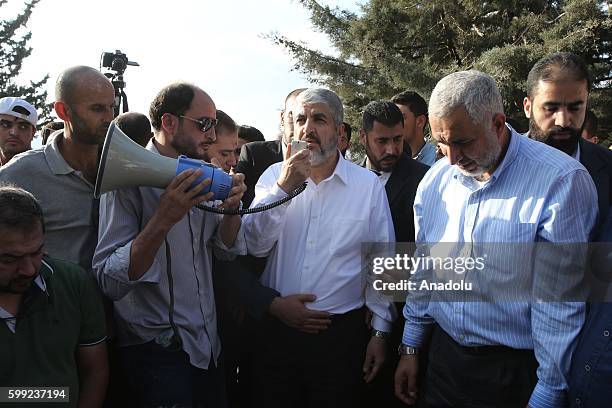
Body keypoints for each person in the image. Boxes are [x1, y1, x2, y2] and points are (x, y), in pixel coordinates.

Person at [394, 70, 597, 408]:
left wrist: (549, 389)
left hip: (514, 374)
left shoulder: (560, 181)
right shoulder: (435, 182)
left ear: (498, 124)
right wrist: (411, 344)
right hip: (444, 363)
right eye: (442, 143)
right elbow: (425, 269)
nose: (453, 159)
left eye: (462, 142)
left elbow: (559, 302)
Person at [93, 81, 247, 408]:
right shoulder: (126, 180)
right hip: (155, 354)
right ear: (169, 123)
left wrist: (233, 211)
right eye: (203, 123)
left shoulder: (206, 171)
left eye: (214, 123)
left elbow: (224, 250)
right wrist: (164, 217)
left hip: (207, 346)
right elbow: (109, 279)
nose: (211, 132)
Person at [243, 88, 396, 407]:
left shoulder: (367, 186)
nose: (307, 128)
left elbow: (382, 260)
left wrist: (380, 333)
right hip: (276, 336)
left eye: (319, 119)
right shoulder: (274, 176)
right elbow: (254, 245)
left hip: (338, 340)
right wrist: (284, 188)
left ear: (340, 132)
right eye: (300, 119)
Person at [0, 186, 108, 407]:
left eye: (37, 252)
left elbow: (95, 370)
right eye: (10, 260)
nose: (29, 269)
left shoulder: (71, 283)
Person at [0, 66, 114, 271]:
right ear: (63, 111)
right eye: (97, 108)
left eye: (111, 107)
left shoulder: (121, 169)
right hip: (52, 301)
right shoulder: (19, 174)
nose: (108, 118)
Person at [358, 100, 428, 407]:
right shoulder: (346, 182)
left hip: (403, 322)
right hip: (349, 324)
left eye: (397, 140)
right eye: (382, 141)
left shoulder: (426, 180)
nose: (391, 150)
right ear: (363, 138)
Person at [524, 52, 612, 238]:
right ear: (527, 107)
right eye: (551, 108)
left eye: (575, 108)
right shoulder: (500, 165)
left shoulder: (608, 168)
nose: (563, 121)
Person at [236, 88, 305, 208]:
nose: (298, 124)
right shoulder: (254, 154)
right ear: (282, 117)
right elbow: (240, 206)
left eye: (304, 118)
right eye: (292, 115)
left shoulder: (323, 160)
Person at [391, 90, 436, 166]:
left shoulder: (438, 160)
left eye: (400, 118)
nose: (392, 124)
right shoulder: (388, 160)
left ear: (420, 121)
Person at [0, 97, 37, 166]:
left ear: (33, 133)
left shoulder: (45, 171)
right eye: (5, 125)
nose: (14, 133)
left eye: (23, 127)